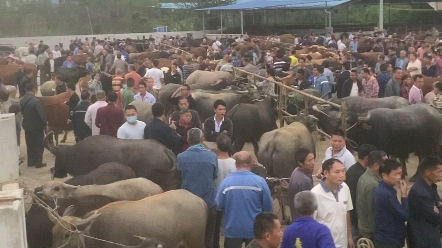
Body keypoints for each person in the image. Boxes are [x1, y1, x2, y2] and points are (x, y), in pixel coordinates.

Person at [216, 151, 273, 248]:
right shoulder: (260, 182)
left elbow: (219, 206)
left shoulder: (226, 183)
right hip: (254, 231)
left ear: (235, 164)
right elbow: (268, 208)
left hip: (232, 230)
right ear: (251, 163)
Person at [177, 128, 218, 248]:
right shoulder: (211, 156)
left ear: (188, 140)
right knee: (208, 237)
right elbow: (214, 176)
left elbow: (179, 177)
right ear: (202, 139)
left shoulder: (181, 157)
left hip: (189, 205)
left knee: (188, 238)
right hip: (209, 202)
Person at [312, 159, 354, 248]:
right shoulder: (315, 193)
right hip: (324, 244)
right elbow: (311, 222)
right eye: (337, 172)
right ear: (326, 173)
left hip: (343, 243)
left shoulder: (345, 188)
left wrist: (349, 237)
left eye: (343, 171)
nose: (342, 175)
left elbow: (347, 213)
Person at [344, 144, 377, 241]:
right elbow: (355, 200)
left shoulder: (354, 169)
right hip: (356, 221)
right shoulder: (361, 175)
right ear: (367, 159)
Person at [407, 157, 442, 248]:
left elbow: (438, 204)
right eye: (439, 171)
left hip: (431, 235)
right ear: (427, 173)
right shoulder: (420, 193)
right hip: (423, 240)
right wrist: (437, 209)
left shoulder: (431, 186)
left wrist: (438, 208)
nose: (441, 174)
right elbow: (436, 218)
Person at [373, 159, 409, 248]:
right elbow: (404, 216)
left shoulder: (386, 189)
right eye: (395, 174)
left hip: (390, 239)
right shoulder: (385, 194)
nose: (399, 177)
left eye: (400, 173)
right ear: (384, 175)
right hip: (388, 241)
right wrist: (404, 195)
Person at [356, 150, 388, 240]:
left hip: (364, 228)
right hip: (371, 233)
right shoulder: (373, 185)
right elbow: (372, 212)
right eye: (385, 163)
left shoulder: (364, 176)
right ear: (376, 166)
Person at [213, 134, 236, 248]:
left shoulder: (213, 162)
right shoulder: (235, 164)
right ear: (231, 146)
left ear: (218, 147)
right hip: (230, 201)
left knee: (215, 228)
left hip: (216, 200)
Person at [20, 83, 47, 168]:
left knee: (30, 144)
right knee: (39, 144)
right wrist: (45, 123)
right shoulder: (36, 101)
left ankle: (31, 162)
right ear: (34, 89)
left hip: (26, 125)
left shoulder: (22, 100)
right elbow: (41, 114)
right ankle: (38, 162)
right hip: (37, 126)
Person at [288, 148, 315, 221]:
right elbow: (310, 205)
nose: (313, 162)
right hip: (304, 220)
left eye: (313, 159)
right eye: (309, 160)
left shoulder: (295, 171)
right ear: (300, 163)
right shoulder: (305, 181)